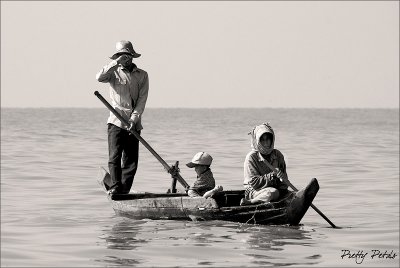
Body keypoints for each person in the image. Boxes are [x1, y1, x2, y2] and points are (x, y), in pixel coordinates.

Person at [96, 40, 149, 195]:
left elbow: (142, 100)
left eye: (126, 55)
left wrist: (133, 119)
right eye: (121, 55)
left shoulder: (142, 75)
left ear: (132, 56)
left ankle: (124, 191)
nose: (124, 59)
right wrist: (115, 62)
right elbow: (99, 77)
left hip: (134, 123)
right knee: (114, 157)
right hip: (116, 121)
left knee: (131, 161)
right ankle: (115, 186)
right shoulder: (113, 72)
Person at [241, 123, 288, 205]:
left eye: (268, 139)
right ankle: (250, 202)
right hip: (255, 192)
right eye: (262, 139)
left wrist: (282, 179)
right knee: (271, 193)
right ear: (257, 141)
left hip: (275, 190)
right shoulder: (251, 157)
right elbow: (254, 183)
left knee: (288, 195)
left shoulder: (278, 155)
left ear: (272, 139)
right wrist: (273, 175)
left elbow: (284, 183)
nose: (266, 143)